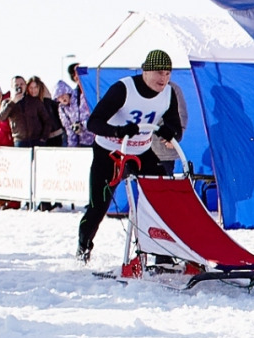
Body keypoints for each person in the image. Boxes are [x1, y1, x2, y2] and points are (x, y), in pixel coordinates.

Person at [78, 49, 184, 262]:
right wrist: (117, 131)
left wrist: (169, 132)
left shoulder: (169, 93)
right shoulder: (123, 88)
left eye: (167, 73)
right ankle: (83, 247)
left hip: (141, 151)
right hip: (109, 151)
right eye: (159, 73)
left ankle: (163, 255)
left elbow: (175, 128)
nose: (163, 78)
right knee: (99, 205)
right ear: (145, 71)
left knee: (160, 198)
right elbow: (93, 123)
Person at [0, 74, 57, 147]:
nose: (19, 86)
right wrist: (13, 101)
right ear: (12, 86)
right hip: (20, 141)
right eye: (16, 85)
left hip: (37, 141)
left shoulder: (35, 101)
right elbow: (1, 117)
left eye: (21, 84)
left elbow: (47, 120)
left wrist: (43, 138)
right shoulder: (7, 102)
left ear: (25, 86)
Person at [56, 79, 94, 147]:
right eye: (59, 97)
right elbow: (68, 129)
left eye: (63, 95)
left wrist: (82, 125)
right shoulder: (62, 109)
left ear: (68, 92)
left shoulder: (81, 98)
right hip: (81, 142)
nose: (62, 98)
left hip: (94, 140)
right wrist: (72, 148)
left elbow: (91, 118)